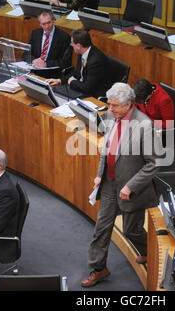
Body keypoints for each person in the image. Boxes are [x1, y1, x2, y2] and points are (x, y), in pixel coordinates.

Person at [81, 83, 159, 287]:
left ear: (128, 105)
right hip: (109, 184)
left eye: (115, 105)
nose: (110, 109)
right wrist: (100, 175)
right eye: (110, 104)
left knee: (131, 231)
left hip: (131, 190)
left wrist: (130, 186)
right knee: (101, 229)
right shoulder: (110, 116)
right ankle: (99, 268)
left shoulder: (145, 125)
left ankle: (148, 252)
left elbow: (153, 164)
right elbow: (106, 149)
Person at [47, 30, 111, 98]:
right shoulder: (82, 52)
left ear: (78, 46)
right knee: (54, 92)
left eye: (72, 43)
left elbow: (88, 88)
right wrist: (59, 81)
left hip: (93, 95)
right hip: (82, 88)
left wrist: (72, 82)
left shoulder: (96, 61)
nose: (71, 45)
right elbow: (77, 73)